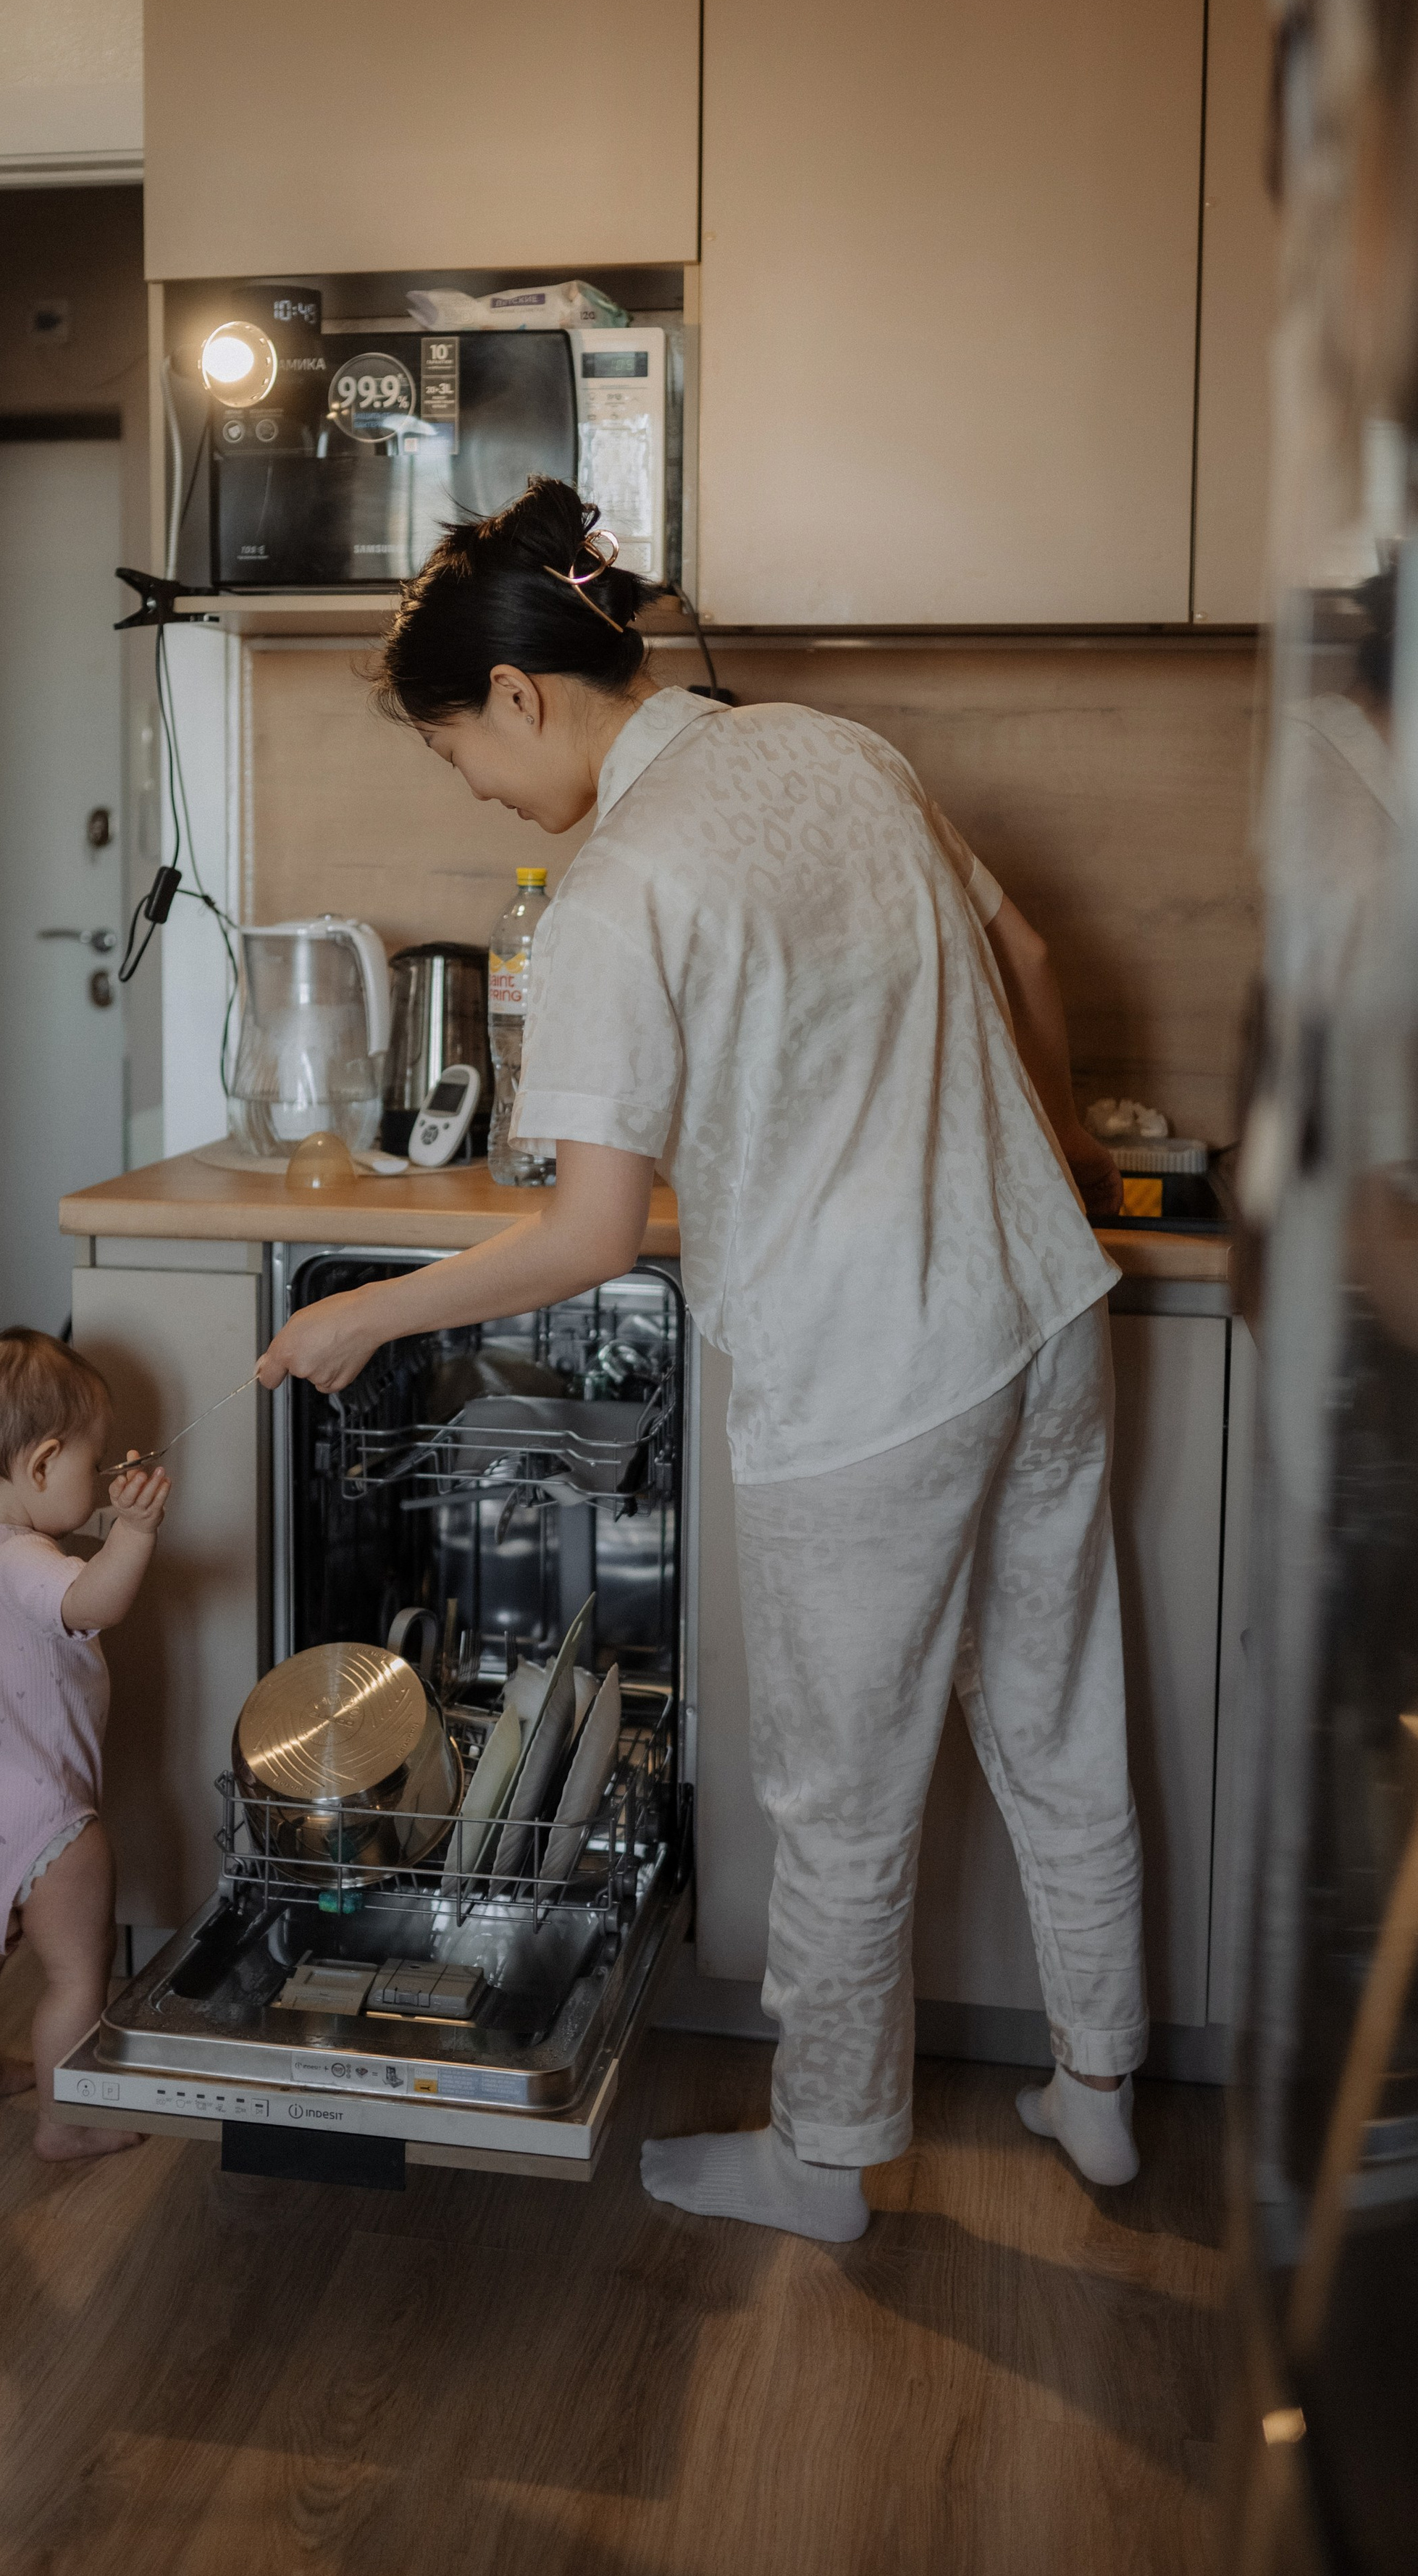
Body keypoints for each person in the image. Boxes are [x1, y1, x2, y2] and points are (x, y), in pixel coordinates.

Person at [256, 477, 1149, 2240]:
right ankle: (1100, 2089)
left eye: (453, 752)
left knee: (840, 1793)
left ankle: (824, 2158)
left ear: (515, 694)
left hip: (869, 1371)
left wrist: (362, 1311)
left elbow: (587, 1235)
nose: (475, 788)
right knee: (1059, 1711)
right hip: (1041, 1302)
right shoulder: (836, 750)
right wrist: (1044, 1161)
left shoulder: (619, 887)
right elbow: (1027, 954)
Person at [0, 1325, 169, 2163]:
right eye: (92, 1464)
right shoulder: (25, 1562)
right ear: (44, 1463)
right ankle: (68, 2120)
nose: (99, 1481)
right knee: (76, 1974)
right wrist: (134, 1532)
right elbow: (93, 1603)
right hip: (48, 1819)